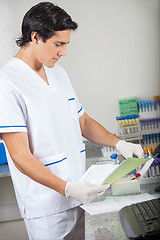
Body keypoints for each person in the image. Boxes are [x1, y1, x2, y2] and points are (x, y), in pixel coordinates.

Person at [0, 2, 144, 240]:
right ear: (35, 37)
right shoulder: (8, 83)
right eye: (59, 44)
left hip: (80, 196)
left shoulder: (58, 72)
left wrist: (120, 144)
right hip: (46, 208)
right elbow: (20, 156)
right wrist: (66, 188)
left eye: (66, 44)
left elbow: (83, 122)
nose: (63, 52)